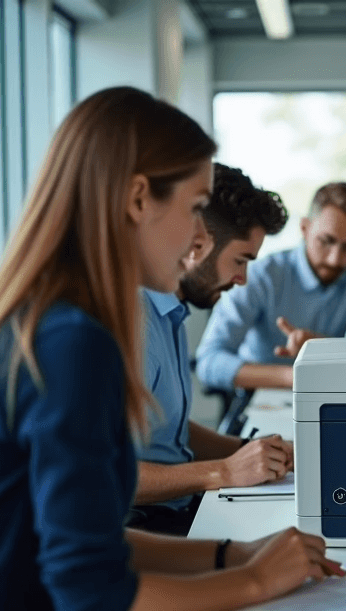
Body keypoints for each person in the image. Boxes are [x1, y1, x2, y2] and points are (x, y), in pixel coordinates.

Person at [0, 88, 343, 611]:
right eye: (196, 208)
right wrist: (257, 583)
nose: (201, 238)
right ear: (140, 199)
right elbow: (97, 608)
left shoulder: (42, 321)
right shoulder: (71, 344)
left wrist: (235, 556)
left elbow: (91, 542)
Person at [132, 163, 293, 535]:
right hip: (144, 526)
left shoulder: (169, 311)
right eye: (240, 261)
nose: (242, 279)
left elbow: (168, 430)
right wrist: (224, 471)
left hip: (176, 510)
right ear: (197, 242)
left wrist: (251, 450)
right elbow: (102, 476)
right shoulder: (134, 323)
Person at [195, 182, 346, 392]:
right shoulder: (262, 275)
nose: (335, 259)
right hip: (262, 395)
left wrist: (324, 348)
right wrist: (294, 377)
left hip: (327, 392)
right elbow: (208, 362)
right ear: (305, 228)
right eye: (326, 241)